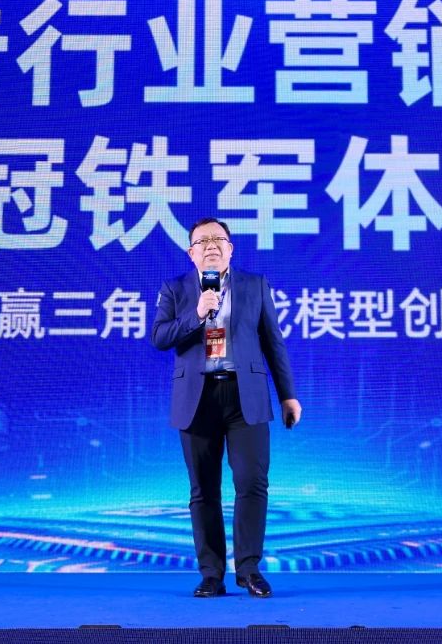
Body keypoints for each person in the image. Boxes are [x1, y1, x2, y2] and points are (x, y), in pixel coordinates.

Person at [151, 217, 301, 598]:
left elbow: (273, 343)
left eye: (219, 239)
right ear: (191, 253)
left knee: (252, 482)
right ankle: (211, 574)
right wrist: (197, 314)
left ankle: (249, 569)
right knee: (204, 489)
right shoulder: (175, 289)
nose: (211, 245)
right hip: (196, 399)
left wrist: (288, 395)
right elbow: (160, 337)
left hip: (245, 395)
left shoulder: (255, 285)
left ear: (231, 249)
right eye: (202, 241)